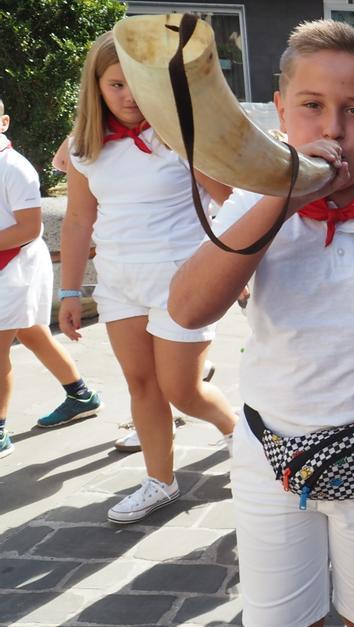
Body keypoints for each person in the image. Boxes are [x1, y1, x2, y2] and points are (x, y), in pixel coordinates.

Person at [168, 19, 354, 627]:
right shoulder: (254, 203)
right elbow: (189, 308)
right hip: (269, 450)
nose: (331, 128)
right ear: (280, 109)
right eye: (311, 106)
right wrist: (285, 199)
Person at [59, 32, 237, 523]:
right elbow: (77, 221)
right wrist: (70, 291)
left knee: (182, 389)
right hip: (119, 284)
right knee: (142, 386)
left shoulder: (181, 135)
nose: (129, 96)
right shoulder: (82, 147)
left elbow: (232, 201)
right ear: (96, 87)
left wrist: (235, 269)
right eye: (116, 85)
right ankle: (160, 480)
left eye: (138, 83)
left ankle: (238, 434)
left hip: (184, 283)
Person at [0, 106, 101, 458]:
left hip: (17, 268)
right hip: (6, 268)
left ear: (4, 122)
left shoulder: (15, 168)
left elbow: (29, 228)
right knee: (32, 334)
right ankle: (81, 395)